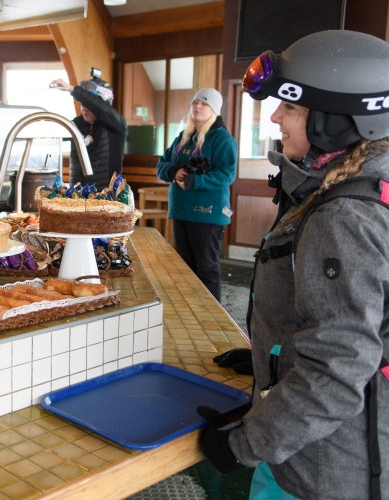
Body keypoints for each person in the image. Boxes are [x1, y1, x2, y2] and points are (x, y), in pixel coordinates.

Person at [198, 30, 389, 500]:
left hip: (322, 470)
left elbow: (336, 369)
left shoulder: (344, 215)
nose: (277, 117)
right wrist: (273, 354)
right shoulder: (363, 187)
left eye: (293, 108)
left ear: (337, 124)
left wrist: (245, 444)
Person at [155, 88, 237, 301]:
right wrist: (173, 172)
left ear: (214, 110)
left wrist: (195, 180)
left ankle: (212, 317)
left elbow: (227, 174)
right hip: (181, 211)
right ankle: (190, 310)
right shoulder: (183, 137)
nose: (198, 106)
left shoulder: (221, 139)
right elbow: (161, 165)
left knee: (207, 268)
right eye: (195, 102)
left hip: (207, 214)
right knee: (184, 267)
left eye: (204, 103)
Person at [50, 68, 127, 188]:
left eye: (89, 104)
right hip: (77, 198)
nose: (84, 108)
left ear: (103, 103)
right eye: (82, 103)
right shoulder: (76, 124)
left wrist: (72, 89)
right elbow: (53, 136)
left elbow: (101, 108)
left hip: (107, 198)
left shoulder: (116, 124)